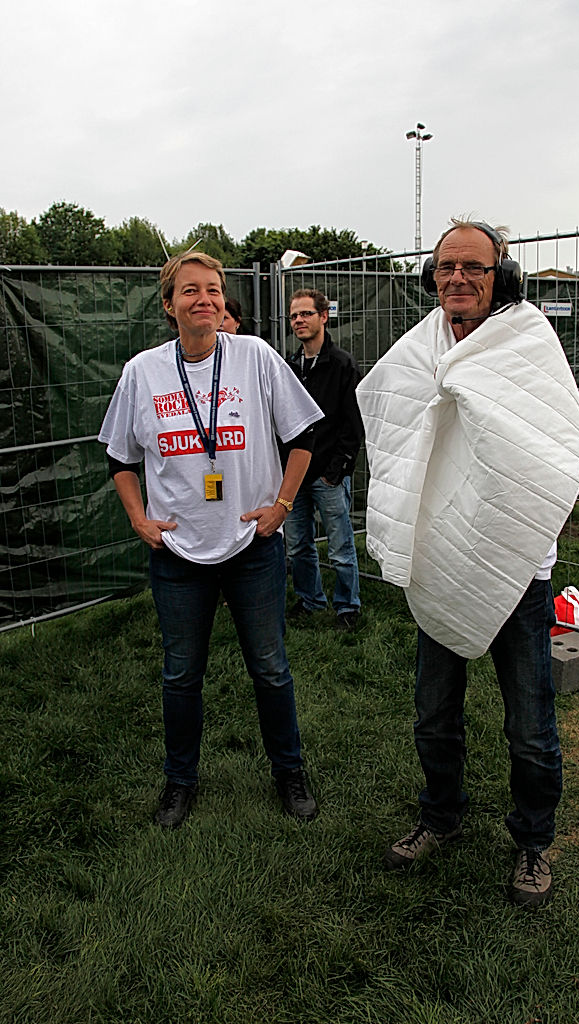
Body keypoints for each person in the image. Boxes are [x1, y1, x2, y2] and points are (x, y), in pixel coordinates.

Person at [356, 218, 579, 907]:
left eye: (473, 269)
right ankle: (440, 816)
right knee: (433, 712)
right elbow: (385, 405)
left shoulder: (525, 343)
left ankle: (532, 844)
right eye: (444, 268)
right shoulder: (420, 347)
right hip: (440, 551)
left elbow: (552, 438)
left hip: (516, 566)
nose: (457, 279)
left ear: (501, 277)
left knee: (528, 724)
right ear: (431, 278)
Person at [99, 251, 324, 829]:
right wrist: (137, 519)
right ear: (170, 305)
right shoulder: (142, 373)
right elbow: (121, 458)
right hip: (176, 551)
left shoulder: (254, 357)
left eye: (214, 289)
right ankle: (179, 783)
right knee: (181, 673)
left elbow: (303, 435)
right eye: (191, 290)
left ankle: (289, 772)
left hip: (252, 545)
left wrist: (283, 504)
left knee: (271, 667)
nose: (205, 299)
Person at [283, 288, 364, 631]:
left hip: (328, 475)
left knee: (341, 546)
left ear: (323, 317)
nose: (299, 320)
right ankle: (311, 601)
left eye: (306, 314)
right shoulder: (289, 366)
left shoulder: (343, 364)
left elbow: (353, 424)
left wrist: (335, 472)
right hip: (294, 477)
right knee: (298, 545)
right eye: (294, 316)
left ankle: (348, 606)